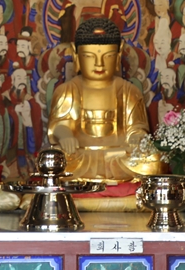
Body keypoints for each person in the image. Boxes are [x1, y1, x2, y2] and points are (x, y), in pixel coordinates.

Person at [47, 18, 164, 182]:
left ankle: (97, 176)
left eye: (108, 56)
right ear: (76, 55)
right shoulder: (67, 90)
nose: (99, 64)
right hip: (80, 156)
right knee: (55, 158)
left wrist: (136, 136)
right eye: (89, 56)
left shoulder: (129, 91)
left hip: (117, 156)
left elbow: (137, 127)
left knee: (154, 159)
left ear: (118, 55)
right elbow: (58, 124)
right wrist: (65, 136)